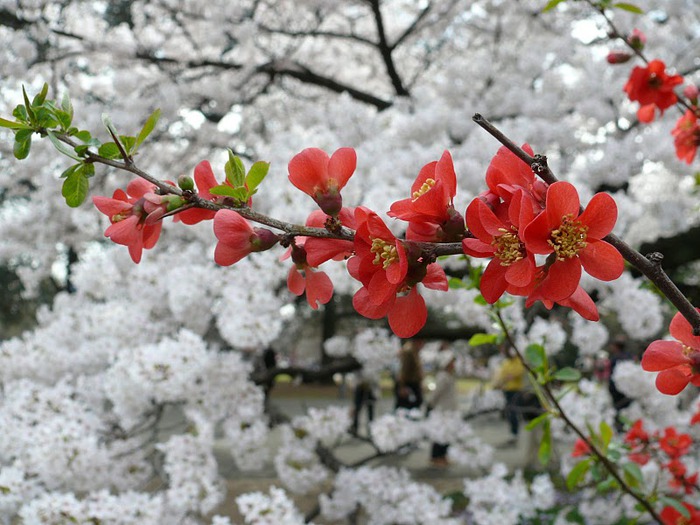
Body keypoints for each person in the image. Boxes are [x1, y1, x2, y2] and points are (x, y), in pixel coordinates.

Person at [426, 350, 458, 467]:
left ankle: (443, 455)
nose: (454, 364)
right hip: (443, 410)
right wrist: (430, 404)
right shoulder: (443, 376)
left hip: (449, 409)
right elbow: (436, 393)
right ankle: (436, 457)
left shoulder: (449, 375)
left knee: (447, 434)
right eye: (451, 362)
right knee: (440, 434)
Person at [492, 347, 526, 445]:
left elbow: (519, 372)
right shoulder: (506, 362)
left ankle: (515, 433)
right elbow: (503, 375)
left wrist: (510, 376)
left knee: (513, 412)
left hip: (516, 390)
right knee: (510, 412)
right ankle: (512, 433)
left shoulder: (518, 361)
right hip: (507, 390)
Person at [608, 336, 632, 430]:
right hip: (628, 391)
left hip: (617, 392)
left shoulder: (615, 359)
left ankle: (621, 429)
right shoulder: (629, 357)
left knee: (619, 412)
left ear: (616, 346)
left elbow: (612, 376)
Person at [394, 340, 424, 411]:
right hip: (408, 383)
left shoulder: (414, 352)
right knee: (407, 408)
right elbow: (404, 370)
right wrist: (402, 386)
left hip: (412, 383)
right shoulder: (409, 352)